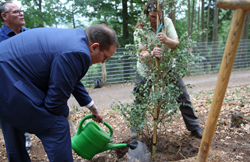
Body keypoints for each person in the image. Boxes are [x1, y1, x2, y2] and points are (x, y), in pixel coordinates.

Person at [0, 24, 119, 162]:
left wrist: (93, 108)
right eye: (106, 57)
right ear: (94, 47)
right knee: (57, 126)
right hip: (9, 81)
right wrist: (65, 113)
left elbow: (70, 78)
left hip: (7, 76)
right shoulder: (77, 52)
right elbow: (55, 103)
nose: (103, 61)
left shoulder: (75, 39)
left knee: (13, 123)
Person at [131, 0, 203, 139]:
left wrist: (166, 40)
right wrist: (151, 55)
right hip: (147, 70)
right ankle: (134, 129)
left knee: (183, 97)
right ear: (146, 15)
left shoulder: (167, 22)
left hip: (168, 67)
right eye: (152, 16)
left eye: (157, 16)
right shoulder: (140, 30)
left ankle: (194, 128)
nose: (155, 20)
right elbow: (142, 54)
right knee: (140, 99)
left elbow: (175, 44)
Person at [0, 1, 32, 153]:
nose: (21, 13)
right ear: (4, 16)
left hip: (32, 90)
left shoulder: (31, 35)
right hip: (8, 95)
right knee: (15, 146)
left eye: (21, 11)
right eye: (16, 11)